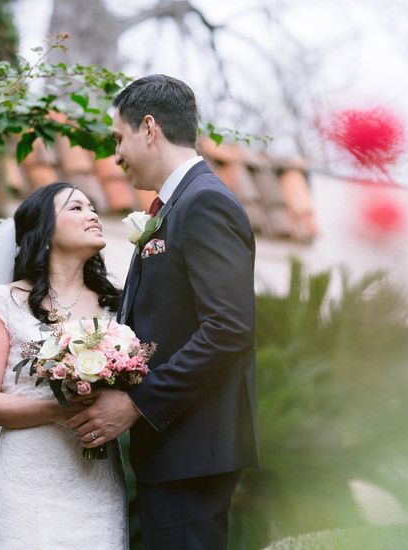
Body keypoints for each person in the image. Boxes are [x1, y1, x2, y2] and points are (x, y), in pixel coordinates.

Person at [67, 74, 259, 550]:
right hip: (177, 450)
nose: (116, 156)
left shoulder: (205, 202)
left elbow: (228, 329)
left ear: (148, 128)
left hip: (192, 450)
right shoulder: (177, 205)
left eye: (118, 138)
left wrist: (137, 403)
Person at [0, 183, 128, 549]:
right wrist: (58, 408)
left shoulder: (115, 306)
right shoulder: (3, 303)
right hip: (27, 480)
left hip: (97, 483)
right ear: (45, 229)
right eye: (77, 208)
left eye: (93, 207)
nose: (93, 215)